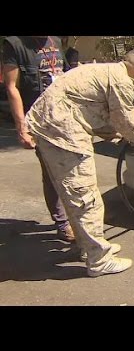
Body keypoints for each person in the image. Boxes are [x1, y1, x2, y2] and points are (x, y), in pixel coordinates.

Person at [25, 48, 134, 277]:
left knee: (74, 197)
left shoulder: (105, 71)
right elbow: (128, 125)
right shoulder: (122, 81)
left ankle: (89, 248)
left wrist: (116, 133)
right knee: (85, 197)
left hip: (51, 129)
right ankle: (99, 260)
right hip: (63, 135)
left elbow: (97, 113)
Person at [2, 36, 75, 242]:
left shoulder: (55, 41)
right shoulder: (15, 44)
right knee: (52, 171)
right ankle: (62, 223)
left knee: (72, 170)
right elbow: (12, 86)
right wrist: (22, 127)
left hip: (64, 116)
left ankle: (76, 218)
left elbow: (67, 79)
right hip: (39, 120)